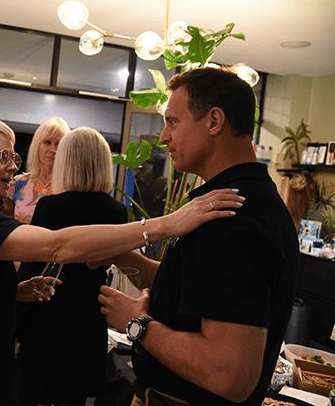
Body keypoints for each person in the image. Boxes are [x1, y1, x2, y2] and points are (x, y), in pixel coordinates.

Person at [0, 116, 244, 406]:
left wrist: (17, 292)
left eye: (13, 157)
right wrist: (166, 224)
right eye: (2, 156)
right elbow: (58, 246)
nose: (13, 166)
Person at [98, 66, 299, 406]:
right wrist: (120, 254)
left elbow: (229, 374)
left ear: (214, 121)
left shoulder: (231, 216)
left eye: (173, 122)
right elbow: (196, 288)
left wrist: (137, 324)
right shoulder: (229, 201)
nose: (163, 137)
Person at [14, 127, 128, 406]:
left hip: (48, 319)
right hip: (88, 323)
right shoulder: (117, 212)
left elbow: (32, 270)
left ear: (66, 162)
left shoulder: (50, 208)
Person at [3, 116, 70, 224]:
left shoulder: (69, 187)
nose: (53, 150)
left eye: (59, 144)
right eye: (47, 142)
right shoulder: (17, 184)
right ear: (37, 145)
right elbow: (6, 224)